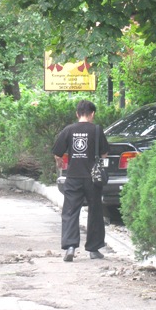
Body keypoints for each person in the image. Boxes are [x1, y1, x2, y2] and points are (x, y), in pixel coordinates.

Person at [52, 99, 109, 262]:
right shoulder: (97, 130)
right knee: (95, 211)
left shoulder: (69, 130)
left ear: (77, 114)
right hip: (93, 178)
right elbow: (104, 153)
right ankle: (94, 249)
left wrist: (60, 161)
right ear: (92, 114)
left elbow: (57, 152)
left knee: (70, 211)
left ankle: (70, 246)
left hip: (73, 177)